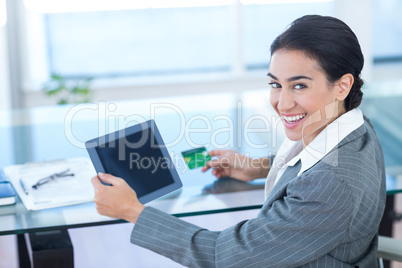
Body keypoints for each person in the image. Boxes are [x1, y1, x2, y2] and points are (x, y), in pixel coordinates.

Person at [91, 15, 386, 267]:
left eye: (299, 86)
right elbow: (317, 167)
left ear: (343, 85)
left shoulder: (332, 183)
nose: (282, 104)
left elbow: (224, 256)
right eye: (275, 84)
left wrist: (132, 211)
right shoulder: (355, 126)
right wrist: (256, 166)